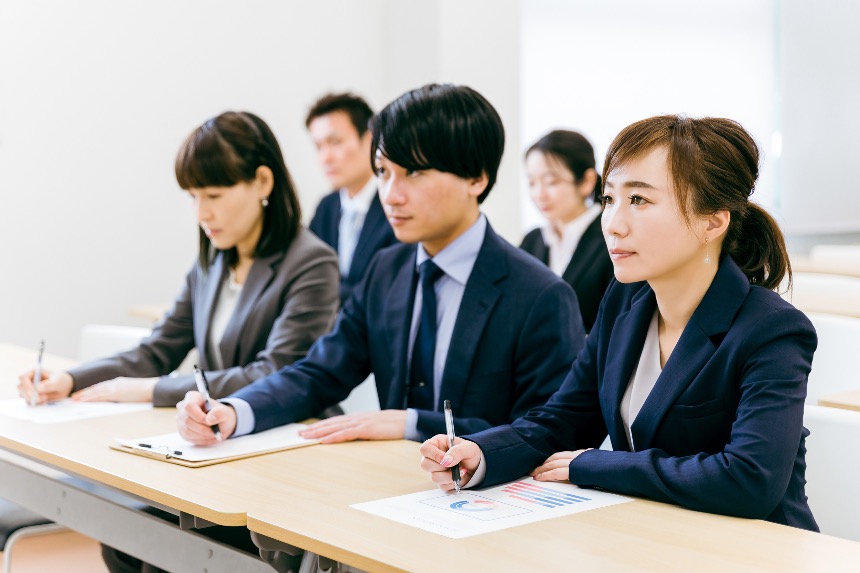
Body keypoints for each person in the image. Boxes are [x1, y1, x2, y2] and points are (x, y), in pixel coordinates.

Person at [421, 114, 819, 532]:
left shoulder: (772, 329)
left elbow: (750, 479)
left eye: (640, 200)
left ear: (713, 222)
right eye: (610, 199)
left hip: (759, 551)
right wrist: (482, 455)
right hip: (660, 538)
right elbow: (566, 419)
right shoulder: (626, 301)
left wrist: (598, 465)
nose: (612, 223)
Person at [177, 83, 586, 449]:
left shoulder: (540, 295)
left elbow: (545, 430)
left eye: (413, 173)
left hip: (489, 506)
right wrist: (234, 411)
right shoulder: (386, 271)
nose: (391, 195)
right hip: (390, 488)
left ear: (476, 178)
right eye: (383, 173)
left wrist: (412, 423)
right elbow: (318, 373)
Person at [18, 111, 340, 408]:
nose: (201, 213)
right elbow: (158, 351)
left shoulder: (312, 263)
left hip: (290, 434)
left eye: (213, 196)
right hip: (219, 434)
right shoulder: (212, 262)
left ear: (263, 182)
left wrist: (152, 390)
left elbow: (272, 374)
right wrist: (71, 379)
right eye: (192, 197)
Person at [306, 92, 398, 304]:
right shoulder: (326, 208)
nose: (325, 158)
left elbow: (387, 290)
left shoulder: (394, 204)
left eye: (335, 142)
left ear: (369, 139)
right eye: (318, 146)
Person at [520, 130, 613, 332]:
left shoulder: (611, 237)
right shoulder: (532, 241)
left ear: (587, 181)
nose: (539, 194)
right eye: (532, 182)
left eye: (551, 182)